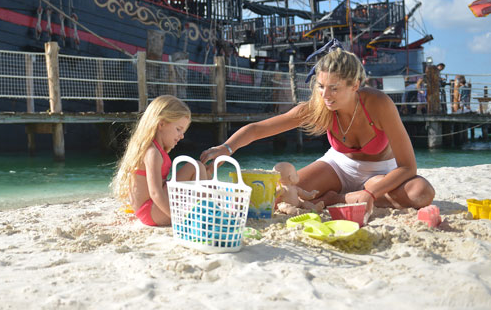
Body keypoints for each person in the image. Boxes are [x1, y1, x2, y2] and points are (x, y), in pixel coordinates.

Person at [200, 40, 435, 212]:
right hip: (338, 166)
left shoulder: (379, 104)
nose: (325, 95)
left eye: (334, 88)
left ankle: (340, 198)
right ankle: (338, 196)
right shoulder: (318, 107)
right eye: (321, 86)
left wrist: (370, 192)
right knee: (282, 196)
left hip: (381, 171)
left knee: (421, 193)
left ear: (354, 85)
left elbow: (407, 167)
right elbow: (258, 129)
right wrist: (226, 148)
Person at [111, 95, 208, 226]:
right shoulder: (152, 153)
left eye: (183, 131)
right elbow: (155, 192)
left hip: (152, 208)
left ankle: (205, 206)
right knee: (196, 166)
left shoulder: (155, 149)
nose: (182, 135)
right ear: (161, 124)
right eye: (178, 129)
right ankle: (205, 211)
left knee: (196, 167)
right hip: (150, 210)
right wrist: (179, 219)